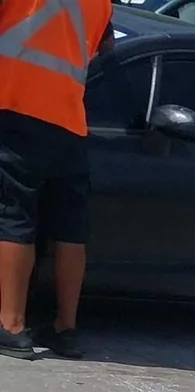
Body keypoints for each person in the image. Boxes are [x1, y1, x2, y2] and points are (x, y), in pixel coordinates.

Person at [0, 0, 114, 360]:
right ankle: (66, 328)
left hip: (15, 107)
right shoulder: (101, 2)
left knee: (13, 216)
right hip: (69, 121)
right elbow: (105, 48)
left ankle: (11, 325)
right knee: (69, 228)